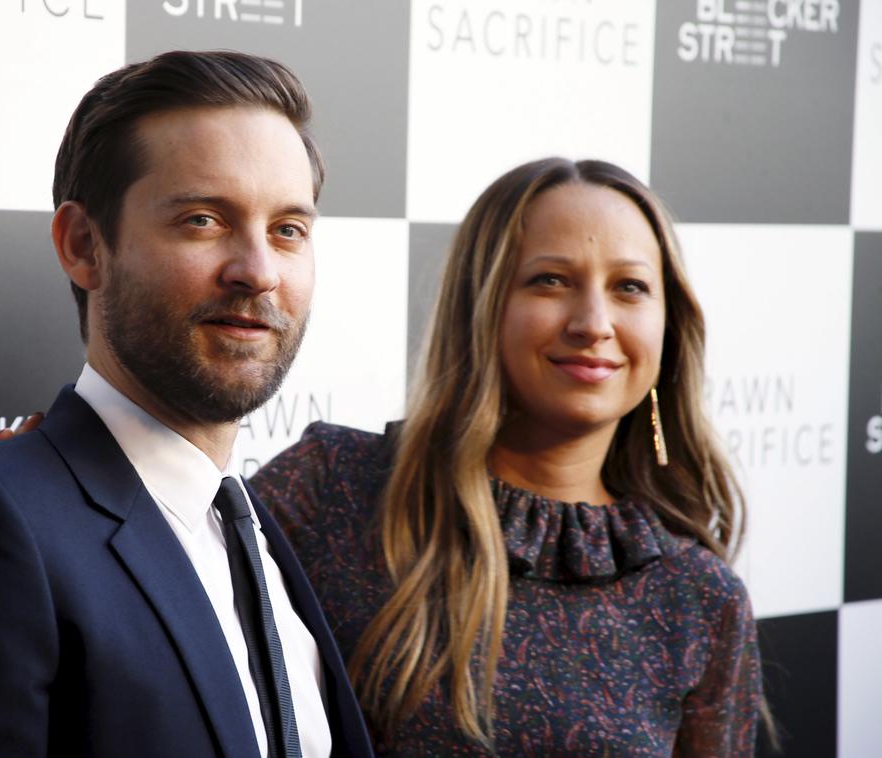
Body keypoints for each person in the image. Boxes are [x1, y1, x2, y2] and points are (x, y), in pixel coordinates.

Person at [0, 50, 373, 758]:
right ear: (84, 245)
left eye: (288, 230)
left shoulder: (255, 529)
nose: (259, 271)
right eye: (204, 220)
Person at [251, 158, 765, 755]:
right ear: (482, 306)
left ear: (669, 326)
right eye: (550, 280)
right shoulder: (333, 486)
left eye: (629, 287)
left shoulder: (701, 597)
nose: (593, 323)